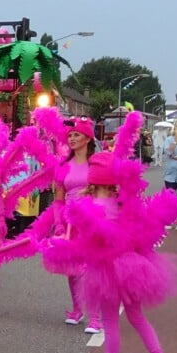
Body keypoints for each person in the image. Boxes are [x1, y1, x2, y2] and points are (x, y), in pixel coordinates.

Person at [51, 152, 177, 353]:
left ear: (93, 179)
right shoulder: (122, 204)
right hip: (133, 267)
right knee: (137, 316)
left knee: (110, 320)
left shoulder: (91, 208)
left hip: (106, 271)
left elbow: (86, 243)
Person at [51, 117, 100, 332]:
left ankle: (95, 317)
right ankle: (77, 309)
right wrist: (58, 223)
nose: (71, 139)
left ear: (88, 138)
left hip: (92, 220)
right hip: (70, 221)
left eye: (76, 135)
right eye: (70, 135)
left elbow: (106, 190)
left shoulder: (97, 163)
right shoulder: (63, 165)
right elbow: (58, 199)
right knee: (72, 268)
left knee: (91, 269)